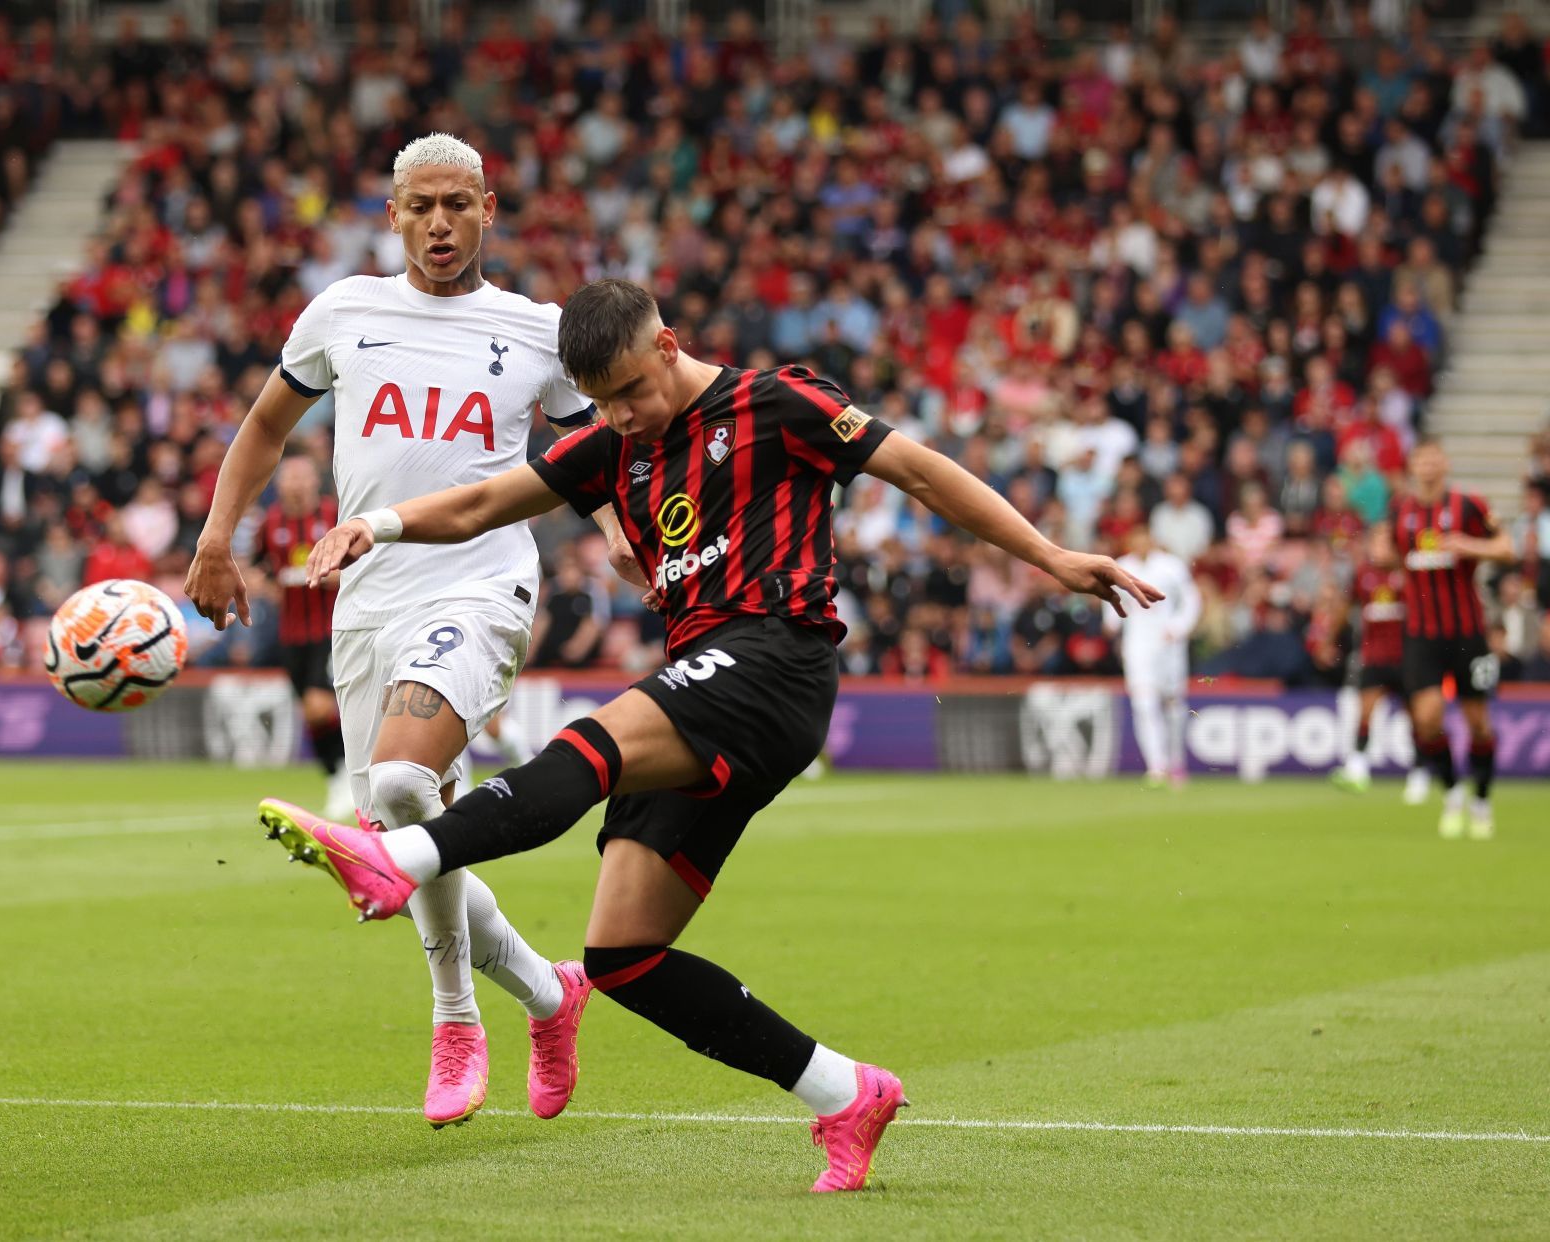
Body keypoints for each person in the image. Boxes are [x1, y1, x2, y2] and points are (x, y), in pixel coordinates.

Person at [264, 279, 1158, 1192]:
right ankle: (846, 1094)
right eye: (599, 402)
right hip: (706, 674)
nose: (618, 416)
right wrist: (374, 524)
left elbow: (921, 471)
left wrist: (1050, 556)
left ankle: (401, 858)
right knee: (623, 956)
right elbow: (483, 503)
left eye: (628, 392)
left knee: (594, 743)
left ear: (668, 345)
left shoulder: (777, 404)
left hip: (777, 658)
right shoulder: (616, 447)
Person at [183, 134, 635, 1128]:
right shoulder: (344, 312)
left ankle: (455, 1017)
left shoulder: (536, 330)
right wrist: (218, 537)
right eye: (421, 205)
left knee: (395, 786)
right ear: (393, 215)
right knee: (408, 837)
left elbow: (608, 434)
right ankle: (553, 997)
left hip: (480, 590)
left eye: (458, 205)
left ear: (488, 209)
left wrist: (621, 531)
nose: (440, 223)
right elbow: (265, 426)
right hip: (366, 600)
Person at [1391, 439, 1514, 839]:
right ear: (1412, 466)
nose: (1427, 466)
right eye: (1420, 460)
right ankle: (1452, 792)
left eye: (1433, 459)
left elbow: (1507, 548)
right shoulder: (1401, 512)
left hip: (1467, 633)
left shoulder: (1470, 505)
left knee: (1478, 724)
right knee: (1427, 719)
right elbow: (1391, 557)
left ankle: (1481, 800)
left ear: (1444, 464)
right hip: (1422, 635)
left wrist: (1470, 545)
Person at [257, 455, 352, 818]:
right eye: (288, 478)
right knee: (312, 715)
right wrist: (264, 583)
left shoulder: (335, 516)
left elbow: (366, 562)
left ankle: (348, 775)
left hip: (330, 628)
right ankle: (335, 777)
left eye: (301, 477)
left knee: (318, 704)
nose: (295, 485)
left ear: (315, 481)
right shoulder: (271, 522)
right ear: (279, 484)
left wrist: (342, 577)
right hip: (291, 634)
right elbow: (260, 566)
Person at [1105, 523, 1200, 788]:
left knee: (1174, 707)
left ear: (1152, 540)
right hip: (1137, 644)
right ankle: (1156, 766)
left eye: (1145, 538)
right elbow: (1112, 599)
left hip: (1168, 644)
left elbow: (1191, 600)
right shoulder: (1121, 566)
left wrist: (1179, 627)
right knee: (1144, 704)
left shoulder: (1171, 566)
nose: (1141, 544)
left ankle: (1176, 763)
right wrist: (1112, 622)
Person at [1331, 524, 1422, 799]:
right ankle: (1358, 769)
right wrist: (1329, 639)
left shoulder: (1410, 574)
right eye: (1376, 541)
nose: (1379, 547)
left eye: (1385, 541)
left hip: (1407, 656)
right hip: (1373, 657)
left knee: (1417, 718)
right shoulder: (1363, 575)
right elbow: (1346, 606)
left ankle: (1419, 772)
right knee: (1366, 711)